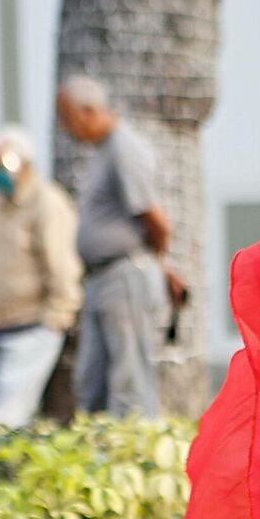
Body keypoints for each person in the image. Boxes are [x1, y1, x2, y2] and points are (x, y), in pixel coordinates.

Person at [55, 75, 184, 418]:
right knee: (91, 378)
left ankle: (135, 458)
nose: (65, 128)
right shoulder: (104, 151)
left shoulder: (124, 148)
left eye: (68, 118)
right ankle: (100, 456)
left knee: (130, 380)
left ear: (90, 110)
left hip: (125, 274)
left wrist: (156, 263)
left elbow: (156, 220)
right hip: (103, 278)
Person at [0, 123, 82, 428]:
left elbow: (62, 267)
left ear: (25, 163)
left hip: (32, 327)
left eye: (4, 164)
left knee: (6, 417)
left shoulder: (48, 203)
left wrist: (55, 319)